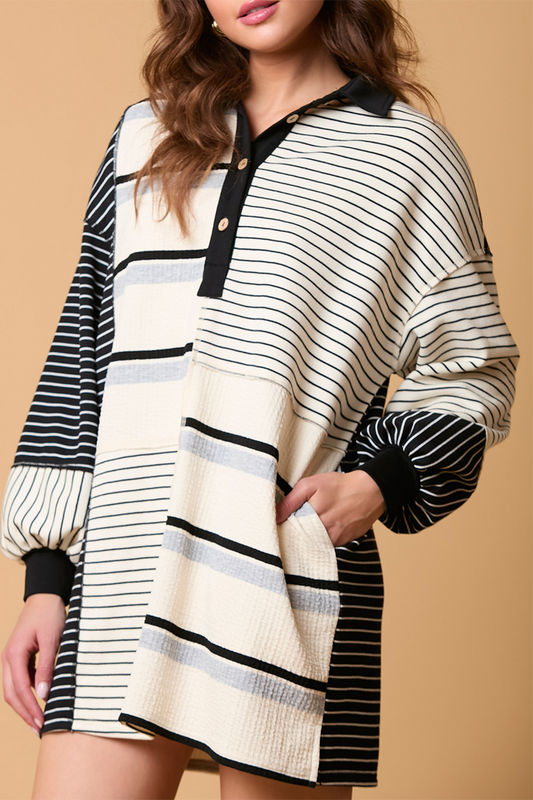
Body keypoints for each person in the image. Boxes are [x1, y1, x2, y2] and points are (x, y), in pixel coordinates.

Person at [0, 1, 519, 798]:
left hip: (284, 572)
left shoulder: (406, 153)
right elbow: (83, 355)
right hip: (122, 571)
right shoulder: (142, 135)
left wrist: (379, 482)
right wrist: (46, 577)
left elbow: (472, 366)